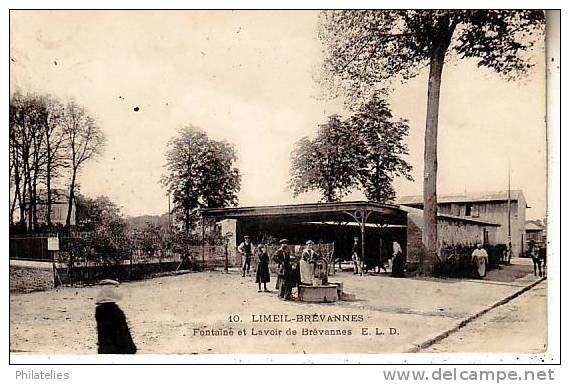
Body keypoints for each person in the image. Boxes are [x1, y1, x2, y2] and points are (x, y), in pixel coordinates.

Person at [95, 279, 137, 354]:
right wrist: (129, 348)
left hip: (106, 348)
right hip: (118, 349)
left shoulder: (100, 310)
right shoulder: (113, 310)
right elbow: (122, 331)